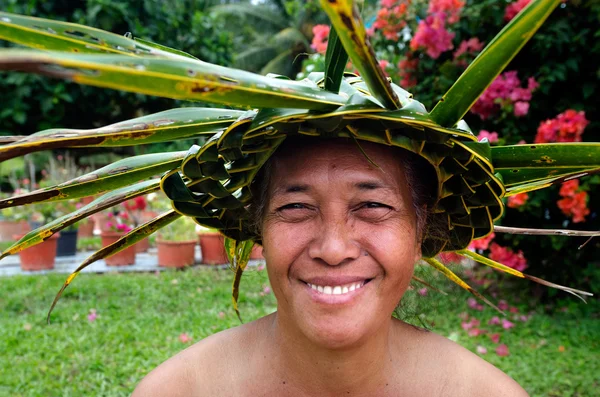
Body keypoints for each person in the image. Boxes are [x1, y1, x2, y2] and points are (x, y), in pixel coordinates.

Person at [132, 139, 528, 396]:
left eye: (373, 206)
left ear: (420, 229)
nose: (333, 249)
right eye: (296, 208)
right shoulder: (180, 390)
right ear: (260, 229)